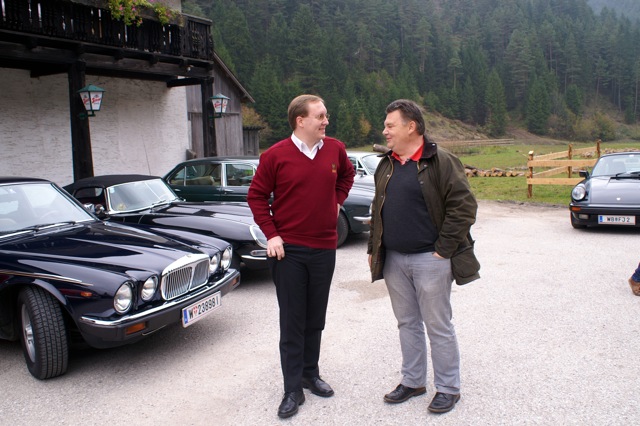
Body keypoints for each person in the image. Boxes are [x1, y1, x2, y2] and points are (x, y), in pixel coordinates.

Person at [367, 99, 480, 414]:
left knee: (437, 324)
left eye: (390, 125)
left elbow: (464, 207)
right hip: (394, 259)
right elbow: (377, 209)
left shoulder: (441, 161)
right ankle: (413, 381)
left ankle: (448, 388)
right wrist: (373, 250)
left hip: (431, 259)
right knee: (407, 323)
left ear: (411, 126)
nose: (385, 131)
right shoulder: (387, 164)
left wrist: (443, 249)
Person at [247, 94, 355, 419]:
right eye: (320, 116)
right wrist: (272, 234)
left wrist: (336, 201)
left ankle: (310, 373)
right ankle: (292, 388)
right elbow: (256, 196)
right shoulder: (274, 155)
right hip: (289, 251)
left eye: (326, 115)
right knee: (293, 321)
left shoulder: (335, 149)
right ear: (300, 120)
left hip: (324, 248)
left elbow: (347, 175)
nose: (326, 121)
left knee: (315, 318)